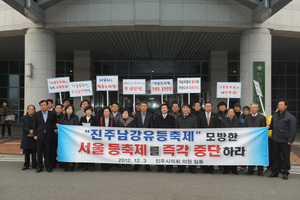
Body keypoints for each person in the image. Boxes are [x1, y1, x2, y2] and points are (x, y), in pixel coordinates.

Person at [268, 98, 296, 180]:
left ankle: (285, 172)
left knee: (285, 157)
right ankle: (275, 172)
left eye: (281, 105)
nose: (279, 106)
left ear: (285, 106)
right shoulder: (275, 116)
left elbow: (293, 130)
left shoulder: (290, 117)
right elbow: (272, 126)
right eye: (278, 105)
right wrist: (268, 127)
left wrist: (290, 140)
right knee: (275, 156)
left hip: (285, 141)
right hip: (275, 139)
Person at [33, 100, 56, 173]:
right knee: (39, 152)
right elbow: (35, 125)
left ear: (47, 105)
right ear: (40, 106)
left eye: (44, 105)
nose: (43, 106)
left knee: (48, 152)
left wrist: (53, 129)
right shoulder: (37, 114)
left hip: (49, 135)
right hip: (40, 135)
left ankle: (48, 166)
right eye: (41, 105)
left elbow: (53, 123)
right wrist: (35, 134)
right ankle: (40, 167)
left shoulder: (52, 113)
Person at [244, 103, 266, 176]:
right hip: (250, 140)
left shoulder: (262, 117)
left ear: (257, 109)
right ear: (250, 109)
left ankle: (260, 170)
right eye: (252, 108)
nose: (253, 109)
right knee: (250, 154)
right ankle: (250, 169)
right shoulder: (247, 117)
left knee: (259, 155)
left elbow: (263, 129)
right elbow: (245, 129)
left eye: (254, 107)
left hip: (259, 140)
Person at [176, 104, 198, 174]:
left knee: (191, 153)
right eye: (184, 108)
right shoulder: (178, 117)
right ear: (182, 109)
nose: (185, 109)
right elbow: (176, 128)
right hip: (181, 139)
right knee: (181, 153)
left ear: (189, 109)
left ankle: (192, 168)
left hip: (191, 139)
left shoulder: (194, 117)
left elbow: (196, 128)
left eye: (187, 108)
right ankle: (181, 168)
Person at [199, 102, 220, 174]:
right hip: (203, 137)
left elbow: (217, 126)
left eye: (209, 106)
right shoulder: (200, 115)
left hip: (212, 138)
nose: (208, 108)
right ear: (204, 107)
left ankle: (211, 168)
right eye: (207, 106)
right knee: (204, 152)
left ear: (211, 107)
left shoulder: (215, 115)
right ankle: (205, 168)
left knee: (211, 153)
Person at [154, 104, 175, 173]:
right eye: (162, 108)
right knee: (160, 152)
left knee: (169, 152)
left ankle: (169, 168)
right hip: (160, 138)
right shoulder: (157, 118)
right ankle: (160, 167)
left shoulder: (172, 118)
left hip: (169, 139)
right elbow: (155, 128)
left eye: (165, 108)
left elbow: (174, 128)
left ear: (167, 109)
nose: (164, 109)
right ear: (161, 109)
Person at [58, 104, 80, 172]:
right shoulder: (62, 118)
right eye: (68, 109)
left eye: (70, 109)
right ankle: (66, 165)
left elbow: (76, 126)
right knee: (65, 152)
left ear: (72, 110)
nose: (69, 110)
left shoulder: (75, 117)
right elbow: (61, 126)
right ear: (65, 110)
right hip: (64, 137)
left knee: (72, 151)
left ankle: (72, 165)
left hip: (72, 137)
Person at [133, 101, 153, 172]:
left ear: (147, 107)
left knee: (146, 151)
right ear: (140, 107)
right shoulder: (137, 115)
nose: (143, 107)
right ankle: (137, 165)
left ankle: (147, 166)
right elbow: (135, 126)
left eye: (145, 106)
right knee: (138, 150)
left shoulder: (150, 115)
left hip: (147, 137)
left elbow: (151, 126)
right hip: (139, 136)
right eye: (142, 106)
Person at [220, 108, 241, 174]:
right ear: (227, 113)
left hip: (235, 140)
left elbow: (240, 131)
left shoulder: (238, 121)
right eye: (229, 112)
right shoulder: (223, 121)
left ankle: (234, 169)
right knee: (226, 154)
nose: (231, 113)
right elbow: (221, 130)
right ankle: (226, 169)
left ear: (234, 113)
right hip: (226, 141)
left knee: (234, 155)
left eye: (232, 112)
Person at [80, 106, 98, 171]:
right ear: (85, 111)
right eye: (87, 110)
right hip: (84, 137)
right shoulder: (82, 118)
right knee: (85, 151)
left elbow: (97, 127)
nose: (88, 112)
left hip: (92, 137)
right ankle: (85, 165)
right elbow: (79, 127)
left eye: (90, 110)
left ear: (92, 111)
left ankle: (92, 165)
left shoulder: (94, 118)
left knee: (91, 151)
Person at [20, 105, 37, 170]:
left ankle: (34, 164)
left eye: (32, 109)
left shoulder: (36, 118)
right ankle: (26, 164)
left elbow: (38, 125)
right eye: (29, 109)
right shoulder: (23, 118)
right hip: (26, 136)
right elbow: (23, 126)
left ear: (34, 110)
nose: (31, 110)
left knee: (34, 152)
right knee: (26, 152)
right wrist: (29, 130)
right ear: (27, 110)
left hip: (34, 136)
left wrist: (33, 131)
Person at [99, 106, 114, 171]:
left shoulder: (112, 120)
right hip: (102, 138)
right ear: (103, 113)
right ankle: (103, 166)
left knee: (108, 152)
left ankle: (108, 166)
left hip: (110, 138)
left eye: (107, 111)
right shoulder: (100, 119)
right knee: (103, 152)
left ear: (109, 112)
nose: (106, 113)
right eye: (105, 111)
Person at [53, 104, 64, 169]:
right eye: (57, 108)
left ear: (62, 109)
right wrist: (54, 129)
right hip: (53, 134)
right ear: (55, 109)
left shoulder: (64, 116)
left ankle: (61, 163)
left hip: (62, 134)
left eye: (60, 108)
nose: (58, 109)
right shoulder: (52, 116)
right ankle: (53, 162)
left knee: (61, 149)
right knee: (53, 148)